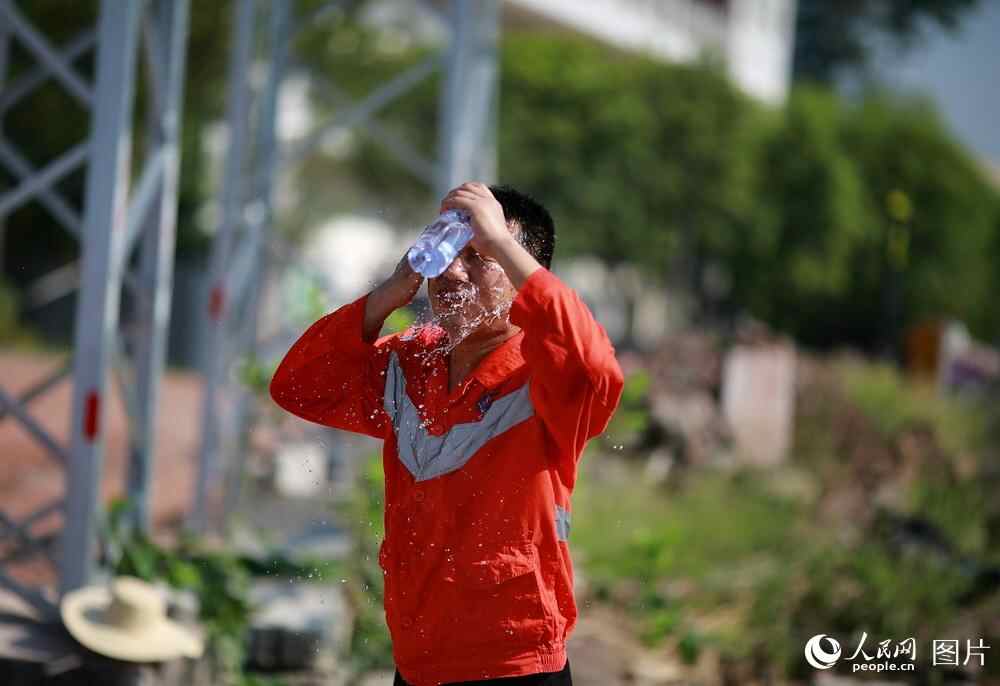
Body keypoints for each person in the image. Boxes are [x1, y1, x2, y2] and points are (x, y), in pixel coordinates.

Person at [270, 182, 624, 686]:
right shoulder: (411, 360)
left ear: (522, 272)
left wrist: (500, 240)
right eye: (449, 251)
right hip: (418, 663)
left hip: (515, 665)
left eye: (480, 257)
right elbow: (298, 386)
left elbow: (597, 366)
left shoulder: (545, 373)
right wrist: (388, 295)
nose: (453, 271)